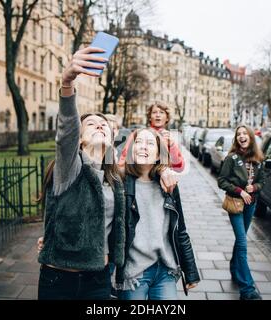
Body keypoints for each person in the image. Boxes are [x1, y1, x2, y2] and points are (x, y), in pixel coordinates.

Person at [37, 46, 178, 300]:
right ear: (79, 140)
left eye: (104, 124)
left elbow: (145, 164)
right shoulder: (70, 167)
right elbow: (66, 130)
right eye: (91, 124)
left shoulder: (114, 176)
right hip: (60, 280)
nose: (100, 125)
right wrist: (67, 83)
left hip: (99, 280)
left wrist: (164, 169)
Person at [115, 128, 200, 300]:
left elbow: (180, 229)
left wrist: (190, 270)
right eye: (138, 142)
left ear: (158, 154)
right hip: (134, 272)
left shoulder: (169, 185)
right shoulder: (121, 184)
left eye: (150, 143)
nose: (143, 147)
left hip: (165, 269)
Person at [217, 125, 265, 300]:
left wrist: (255, 187)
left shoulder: (258, 159)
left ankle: (234, 268)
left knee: (240, 239)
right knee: (243, 244)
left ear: (251, 137)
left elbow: (263, 180)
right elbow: (221, 181)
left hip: (251, 205)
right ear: (236, 139)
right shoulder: (231, 158)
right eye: (239, 134)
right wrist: (240, 191)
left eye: (245, 134)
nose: (242, 136)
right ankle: (247, 289)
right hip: (236, 204)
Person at [118, 102, 185, 173]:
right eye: (154, 112)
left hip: (161, 181)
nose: (158, 115)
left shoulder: (169, 138)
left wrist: (172, 146)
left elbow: (179, 168)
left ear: (167, 118)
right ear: (149, 117)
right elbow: (124, 158)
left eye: (161, 112)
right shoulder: (138, 134)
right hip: (138, 176)